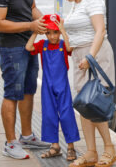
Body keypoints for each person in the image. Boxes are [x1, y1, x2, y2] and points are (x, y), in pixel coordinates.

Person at [0, 0, 50, 160]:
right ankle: (10, 143)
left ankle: (26, 136)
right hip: (11, 47)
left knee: (28, 91)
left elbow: (31, 8)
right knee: (12, 93)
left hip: (29, 44)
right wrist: (30, 26)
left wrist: (46, 22)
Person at [57, 0, 116, 167]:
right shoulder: (76, 3)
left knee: (95, 103)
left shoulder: (92, 0)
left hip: (95, 55)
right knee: (84, 105)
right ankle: (91, 152)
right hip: (80, 57)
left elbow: (100, 31)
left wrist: (90, 57)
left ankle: (109, 149)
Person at [25, 14, 80, 161]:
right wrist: (36, 31)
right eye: (48, 33)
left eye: (55, 32)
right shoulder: (42, 45)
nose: (52, 36)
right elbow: (28, 47)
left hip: (62, 86)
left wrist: (63, 30)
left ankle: (71, 147)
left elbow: (70, 48)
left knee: (67, 114)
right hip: (47, 87)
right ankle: (54, 146)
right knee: (49, 115)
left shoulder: (63, 44)